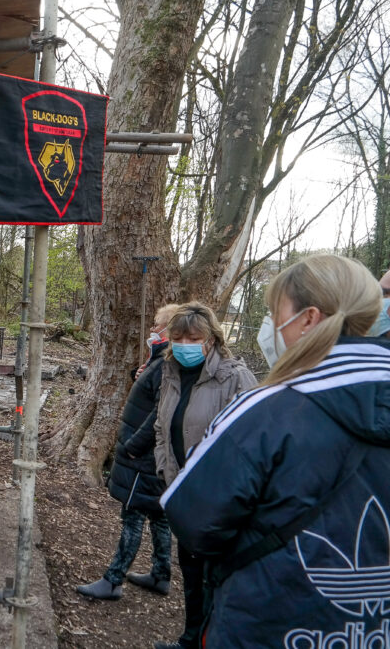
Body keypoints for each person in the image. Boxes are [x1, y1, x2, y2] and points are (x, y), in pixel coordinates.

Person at [162, 255, 390, 647]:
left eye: (273, 311)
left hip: (268, 625)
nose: (271, 325)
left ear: (307, 319)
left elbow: (193, 518)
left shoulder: (265, 412)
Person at [152, 302, 257, 649]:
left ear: (211, 339)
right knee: (192, 575)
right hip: (183, 495)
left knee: (217, 579)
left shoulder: (235, 378)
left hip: (219, 501)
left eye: (193, 337)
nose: (184, 344)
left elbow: (249, 443)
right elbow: (162, 427)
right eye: (178, 336)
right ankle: (190, 639)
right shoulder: (170, 373)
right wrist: (165, 468)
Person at [76, 303, 180, 600]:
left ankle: (113, 580)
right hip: (155, 457)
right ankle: (161, 574)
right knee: (158, 515)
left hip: (145, 456)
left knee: (133, 516)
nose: (152, 330)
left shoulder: (168, 365)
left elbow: (162, 412)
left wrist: (133, 446)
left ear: (169, 331)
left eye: (157, 325)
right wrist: (141, 375)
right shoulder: (160, 362)